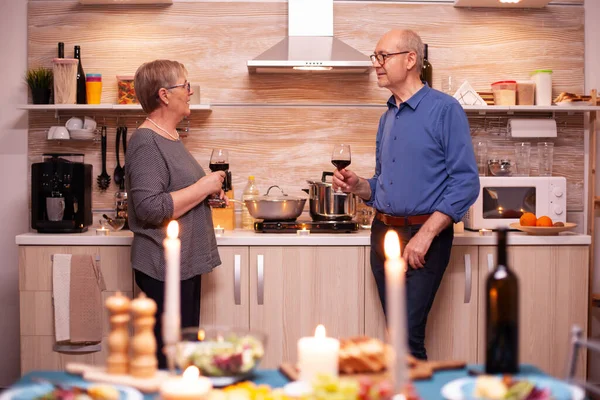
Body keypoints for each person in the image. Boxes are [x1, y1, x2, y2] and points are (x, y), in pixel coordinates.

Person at [333, 30, 479, 360]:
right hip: (383, 234)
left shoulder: (445, 110)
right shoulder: (387, 118)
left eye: (383, 56)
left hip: (423, 239)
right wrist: (358, 185)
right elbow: (384, 184)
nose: (377, 65)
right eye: (375, 57)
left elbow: (466, 183)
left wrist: (426, 235)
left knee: (407, 339)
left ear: (410, 60)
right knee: (395, 336)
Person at [126, 59, 227, 368]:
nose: (190, 91)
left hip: (182, 265)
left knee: (182, 355)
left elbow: (176, 196)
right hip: (163, 268)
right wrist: (205, 185)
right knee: (169, 358)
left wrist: (205, 196)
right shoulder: (146, 141)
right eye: (185, 85)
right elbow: (150, 208)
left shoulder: (170, 137)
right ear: (164, 95)